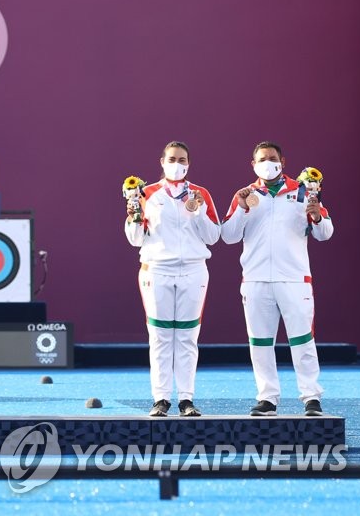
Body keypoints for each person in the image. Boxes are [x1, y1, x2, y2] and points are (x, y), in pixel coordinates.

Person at [221, 141, 332, 417]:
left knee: (302, 340)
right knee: (259, 342)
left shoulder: (303, 191)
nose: (267, 162)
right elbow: (228, 235)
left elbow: (325, 232)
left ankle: (311, 397)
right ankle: (267, 397)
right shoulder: (245, 195)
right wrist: (243, 207)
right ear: (253, 163)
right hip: (256, 279)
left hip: (294, 279)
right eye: (262, 158)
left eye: (272, 157)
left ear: (282, 160)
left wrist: (317, 215)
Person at [124, 141, 220, 417]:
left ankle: (186, 399)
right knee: (160, 336)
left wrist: (198, 211)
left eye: (182, 159)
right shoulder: (146, 194)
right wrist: (133, 218)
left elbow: (213, 236)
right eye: (172, 159)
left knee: (188, 337)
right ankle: (161, 399)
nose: (177, 164)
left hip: (193, 270)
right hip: (157, 270)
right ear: (162, 161)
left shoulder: (201, 194)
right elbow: (135, 239)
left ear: (189, 163)